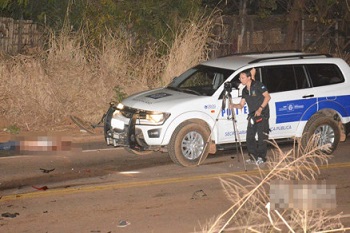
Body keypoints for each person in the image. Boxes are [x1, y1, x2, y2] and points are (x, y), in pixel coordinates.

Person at [231, 68, 271, 165]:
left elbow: (267, 97)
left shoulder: (258, 85)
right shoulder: (244, 90)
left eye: (243, 77)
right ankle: (253, 156)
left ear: (249, 78)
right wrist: (232, 105)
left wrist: (260, 108)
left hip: (262, 114)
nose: (241, 79)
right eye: (240, 78)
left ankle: (262, 157)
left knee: (262, 137)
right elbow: (241, 105)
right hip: (252, 115)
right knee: (249, 137)